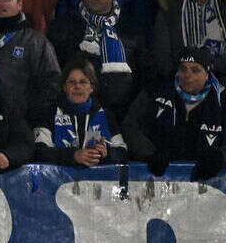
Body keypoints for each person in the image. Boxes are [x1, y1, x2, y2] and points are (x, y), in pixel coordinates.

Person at [124, 49, 226, 180]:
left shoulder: (222, 100)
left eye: (195, 70)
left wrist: (220, 157)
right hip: (157, 182)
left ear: (207, 74)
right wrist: (148, 153)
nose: (187, 75)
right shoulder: (155, 90)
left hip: (209, 187)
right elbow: (129, 126)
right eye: (183, 69)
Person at [34, 62, 128, 168]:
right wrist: (73, 156)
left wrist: (107, 153)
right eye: (71, 82)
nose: (77, 86)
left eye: (83, 82)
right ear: (64, 87)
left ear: (92, 87)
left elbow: (123, 152)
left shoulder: (105, 115)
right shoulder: (48, 113)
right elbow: (39, 151)